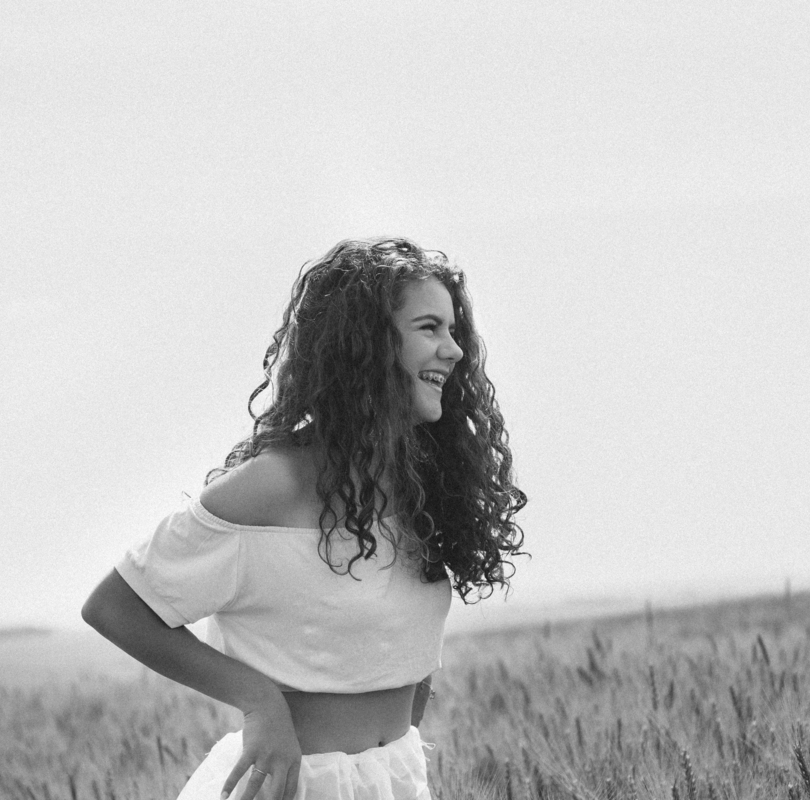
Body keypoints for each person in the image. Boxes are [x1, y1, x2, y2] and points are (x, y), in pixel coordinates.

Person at [82, 237, 526, 800]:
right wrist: (259, 701)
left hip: (395, 778)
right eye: (429, 328)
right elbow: (115, 606)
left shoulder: (423, 488)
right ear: (367, 342)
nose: (455, 350)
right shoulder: (274, 484)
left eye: (454, 330)